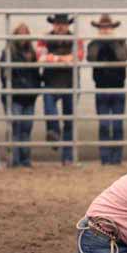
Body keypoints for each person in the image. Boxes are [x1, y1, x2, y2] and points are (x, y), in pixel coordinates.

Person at [37, 14, 84, 165]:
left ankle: (67, 157)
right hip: (51, 81)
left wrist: (55, 58)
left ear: (68, 25)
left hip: (70, 82)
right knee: (50, 111)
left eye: (63, 24)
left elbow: (79, 56)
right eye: (57, 23)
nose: (60, 26)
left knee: (69, 121)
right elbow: (41, 57)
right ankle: (54, 132)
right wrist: (66, 59)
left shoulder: (76, 38)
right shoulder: (44, 38)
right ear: (53, 24)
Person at [87, 14, 127, 165]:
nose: (105, 30)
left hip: (118, 87)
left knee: (117, 125)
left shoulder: (120, 42)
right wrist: (100, 41)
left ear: (112, 28)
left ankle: (116, 159)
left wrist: (112, 42)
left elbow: (122, 57)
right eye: (102, 28)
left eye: (107, 27)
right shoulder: (93, 44)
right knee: (104, 124)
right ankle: (105, 159)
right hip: (101, 87)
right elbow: (91, 58)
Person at [0, 23, 41, 168]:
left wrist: (34, 90)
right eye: (20, 33)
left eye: (25, 33)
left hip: (28, 97)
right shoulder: (9, 52)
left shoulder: (32, 53)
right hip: (15, 96)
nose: (23, 36)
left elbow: (36, 75)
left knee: (26, 129)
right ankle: (14, 160)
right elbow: (5, 75)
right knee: (15, 127)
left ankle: (25, 160)